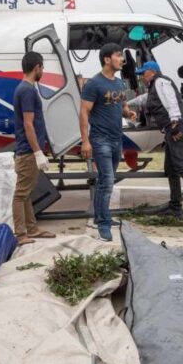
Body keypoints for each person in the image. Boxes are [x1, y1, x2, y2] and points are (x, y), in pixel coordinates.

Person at [128, 61, 183, 220]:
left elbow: (172, 103)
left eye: (143, 73)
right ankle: (175, 206)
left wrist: (175, 125)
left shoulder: (161, 82)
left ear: (152, 71)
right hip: (171, 129)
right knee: (171, 168)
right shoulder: (154, 87)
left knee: (181, 164)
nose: (141, 77)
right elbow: (143, 99)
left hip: (176, 127)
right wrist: (125, 104)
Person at [80, 43, 137, 242]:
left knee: (105, 181)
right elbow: (84, 112)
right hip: (100, 139)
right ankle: (104, 224)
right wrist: (85, 141)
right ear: (107, 59)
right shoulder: (94, 84)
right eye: (118, 55)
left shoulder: (119, 83)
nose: (122, 59)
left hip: (116, 139)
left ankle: (99, 216)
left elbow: (123, 107)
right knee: (107, 181)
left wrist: (129, 113)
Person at [12, 51, 56, 245]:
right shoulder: (27, 91)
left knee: (27, 193)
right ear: (37, 67)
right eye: (42, 67)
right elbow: (28, 124)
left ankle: (32, 229)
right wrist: (37, 152)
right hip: (28, 152)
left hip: (27, 150)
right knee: (21, 194)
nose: (43, 71)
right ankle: (20, 234)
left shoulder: (24, 89)